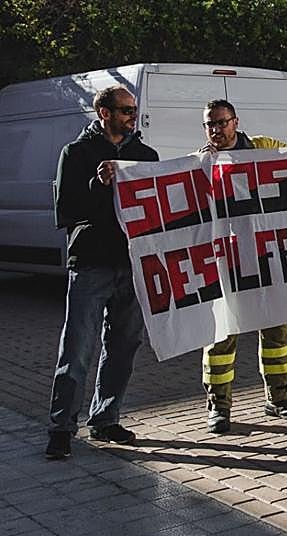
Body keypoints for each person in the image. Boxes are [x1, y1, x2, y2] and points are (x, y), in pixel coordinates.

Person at [46, 85, 159, 459]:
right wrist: (99, 184)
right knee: (77, 348)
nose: (132, 117)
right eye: (126, 110)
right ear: (104, 113)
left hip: (132, 265)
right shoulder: (76, 153)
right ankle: (62, 428)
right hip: (91, 265)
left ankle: (106, 418)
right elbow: (66, 210)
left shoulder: (145, 155)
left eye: (134, 110)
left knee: (124, 347)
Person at [199, 99, 287, 433]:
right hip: (226, 258)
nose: (216, 130)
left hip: (265, 254)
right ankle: (218, 407)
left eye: (221, 122)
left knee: (277, 330)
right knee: (221, 334)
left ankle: (279, 399)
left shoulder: (263, 147)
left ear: (236, 121)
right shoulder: (202, 162)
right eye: (210, 124)